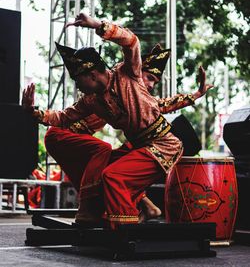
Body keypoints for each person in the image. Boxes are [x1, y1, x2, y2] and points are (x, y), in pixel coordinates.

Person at [22, 13, 212, 229]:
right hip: (140, 147)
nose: (77, 86)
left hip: (163, 145)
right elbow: (64, 117)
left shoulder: (128, 74)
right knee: (104, 170)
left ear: (92, 74)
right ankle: (115, 216)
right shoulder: (91, 101)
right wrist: (34, 112)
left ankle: (124, 230)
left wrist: (96, 24)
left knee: (114, 176)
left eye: (77, 80)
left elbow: (131, 42)